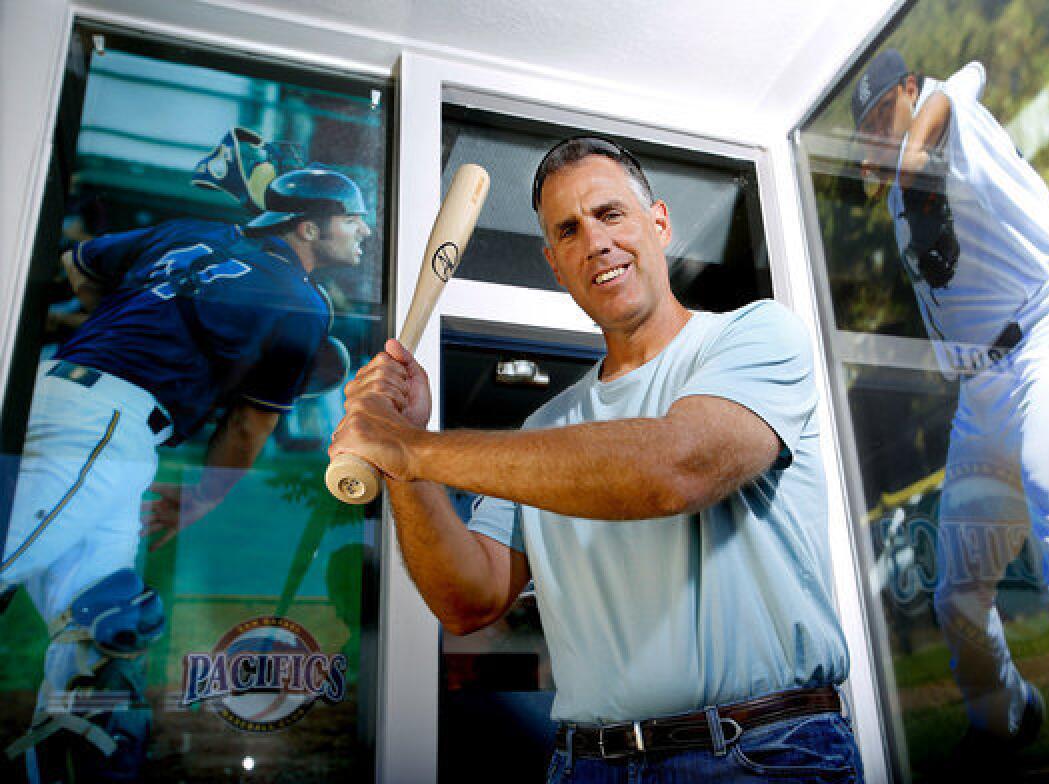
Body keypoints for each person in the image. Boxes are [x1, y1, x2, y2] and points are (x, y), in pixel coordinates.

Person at [330, 136, 863, 782]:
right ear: (556, 265)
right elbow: (466, 598)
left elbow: (674, 468)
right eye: (569, 230)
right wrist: (403, 461)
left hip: (761, 752)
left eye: (611, 214)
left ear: (659, 224)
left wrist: (417, 448)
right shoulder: (545, 429)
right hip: (588, 764)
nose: (596, 242)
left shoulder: (755, 336)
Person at [0, 167, 371, 781]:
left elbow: (79, 266)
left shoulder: (191, 232)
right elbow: (249, 428)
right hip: (100, 424)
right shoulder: (300, 301)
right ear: (307, 226)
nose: (362, 228)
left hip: (70, 400)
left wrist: (130, 327)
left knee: (104, 627)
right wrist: (201, 498)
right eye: (350, 218)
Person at [853, 49, 1049, 782]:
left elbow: (969, 75)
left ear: (911, 92)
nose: (873, 133)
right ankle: (1004, 716)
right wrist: (904, 159)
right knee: (957, 590)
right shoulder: (899, 191)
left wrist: (917, 136)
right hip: (984, 391)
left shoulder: (955, 125)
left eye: (881, 112)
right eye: (863, 127)